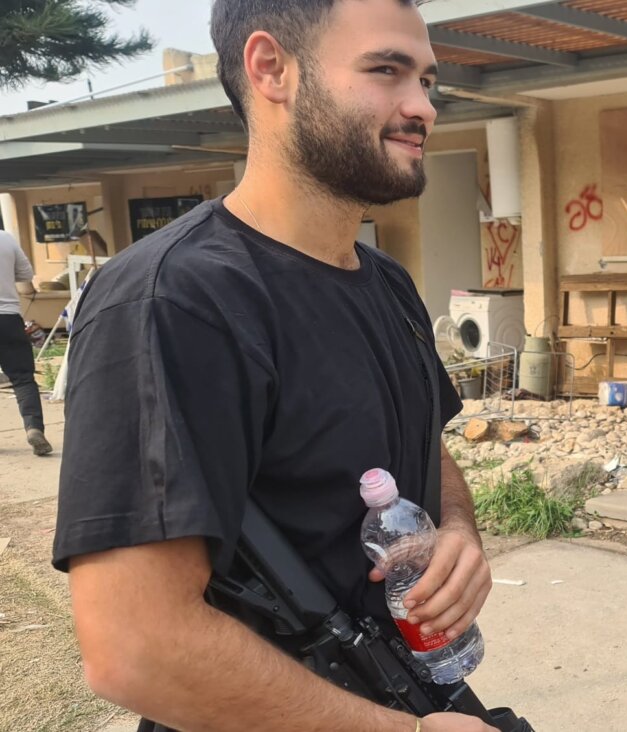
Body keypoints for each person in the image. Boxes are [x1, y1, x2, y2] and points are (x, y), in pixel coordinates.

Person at [52, 1, 494, 730]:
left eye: (426, 79)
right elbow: (135, 646)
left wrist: (458, 534)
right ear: (270, 69)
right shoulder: (173, 300)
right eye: (386, 70)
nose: (422, 106)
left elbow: (422, 445)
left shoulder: (388, 284)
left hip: (416, 692)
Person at [0, 228, 52, 456]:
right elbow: (25, 273)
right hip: (9, 318)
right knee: (22, 379)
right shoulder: (5, 238)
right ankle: (33, 428)